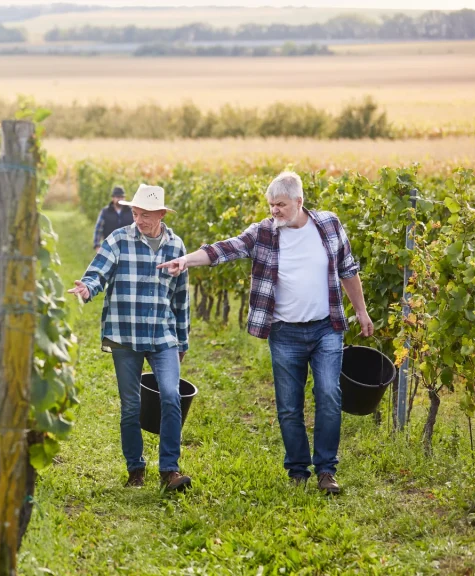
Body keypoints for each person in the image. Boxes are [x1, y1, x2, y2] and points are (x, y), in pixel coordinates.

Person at [158, 171, 373, 495]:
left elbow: (348, 270)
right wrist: (186, 261)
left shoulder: (328, 225)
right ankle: (298, 470)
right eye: (271, 205)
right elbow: (224, 249)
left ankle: (326, 471)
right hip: (284, 332)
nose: (275, 211)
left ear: (299, 202)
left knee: (329, 394)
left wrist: (361, 310)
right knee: (289, 405)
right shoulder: (263, 233)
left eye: (281, 205)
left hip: (325, 328)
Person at [69, 184, 192, 491]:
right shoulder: (119, 240)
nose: (139, 220)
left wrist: (183, 340)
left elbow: (180, 298)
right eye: (136, 213)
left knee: (170, 396)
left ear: (161, 214)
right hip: (125, 334)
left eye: (146, 215)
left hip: (163, 335)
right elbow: (99, 272)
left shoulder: (176, 246)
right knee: (131, 406)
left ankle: (169, 470)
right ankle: (136, 469)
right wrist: (87, 288)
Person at [93, 185, 134, 252]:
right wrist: (97, 246)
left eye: (122, 197)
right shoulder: (105, 212)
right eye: (118, 197)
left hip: (128, 248)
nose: (120, 199)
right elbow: (98, 229)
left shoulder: (131, 211)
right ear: (113, 198)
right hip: (109, 248)